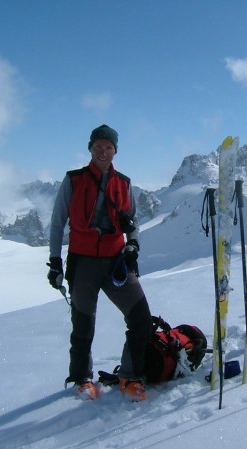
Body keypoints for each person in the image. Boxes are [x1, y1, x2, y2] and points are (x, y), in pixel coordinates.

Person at [47, 124, 152, 401]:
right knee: (83, 323)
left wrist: (133, 243)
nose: (103, 151)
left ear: (115, 151)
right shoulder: (73, 180)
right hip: (82, 262)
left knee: (140, 318)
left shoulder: (124, 184)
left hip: (116, 262)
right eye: (98, 147)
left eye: (108, 147)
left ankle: (130, 376)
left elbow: (133, 222)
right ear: (90, 149)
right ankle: (82, 378)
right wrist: (55, 262)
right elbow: (58, 223)